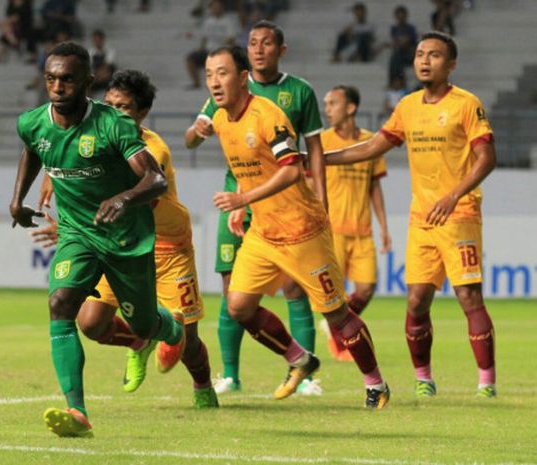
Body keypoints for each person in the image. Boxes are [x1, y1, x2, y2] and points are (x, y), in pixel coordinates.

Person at [10, 41, 186, 438]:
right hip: (77, 233)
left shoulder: (112, 124)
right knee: (60, 303)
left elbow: (154, 179)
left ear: (88, 81)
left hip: (127, 239)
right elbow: (32, 150)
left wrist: (124, 198)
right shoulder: (32, 121)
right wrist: (18, 198)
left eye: (67, 79)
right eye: (51, 78)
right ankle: (77, 412)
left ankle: (171, 328)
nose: (57, 86)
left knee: (142, 323)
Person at [204, 45, 390, 408]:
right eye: (209, 74)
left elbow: (290, 169)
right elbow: (250, 164)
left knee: (336, 313)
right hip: (263, 231)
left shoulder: (268, 116)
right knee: (238, 306)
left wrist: (243, 199)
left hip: (302, 230)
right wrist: (244, 200)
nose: (214, 81)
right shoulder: (221, 120)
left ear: (243, 78)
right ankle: (300, 359)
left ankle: (376, 383)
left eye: (222, 73)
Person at [31, 69, 219, 409]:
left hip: (166, 248)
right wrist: (50, 170)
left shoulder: (152, 150)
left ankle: (203, 385)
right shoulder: (92, 135)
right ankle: (138, 341)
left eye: (125, 107)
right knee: (90, 323)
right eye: (110, 103)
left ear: (141, 114)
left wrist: (69, 226)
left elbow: (129, 201)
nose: (115, 112)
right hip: (117, 243)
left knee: (187, 339)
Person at [325, 32, 498, 398]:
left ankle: (487, 382)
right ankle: (424, 379)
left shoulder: (467, 104)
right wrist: (322, 158)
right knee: (417, 300)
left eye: (434, 55)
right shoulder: (407, 106)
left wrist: (453, 196)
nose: (424, 60)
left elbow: (487, 158)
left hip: (460, 212)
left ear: (450, 65)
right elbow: (373, 146)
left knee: (469, 297)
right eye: (420, 54)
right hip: (421, 217)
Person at [185, 20, 323, 396]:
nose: (259, 48)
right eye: (252, 43)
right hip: (237, 200)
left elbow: (314, 152)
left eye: (266, 43)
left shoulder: (298, 93)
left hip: (283, 201)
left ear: (281, 49)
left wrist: (321, 199)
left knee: (296, 286)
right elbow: (189, 139)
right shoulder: (221, 90)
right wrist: (197, 134)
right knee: (233, 288)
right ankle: (230, 374)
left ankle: (307, 375)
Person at [317, 85, 391, 362]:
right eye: (326, 104)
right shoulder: (322, 141)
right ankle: (340, 340)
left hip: (363, 231)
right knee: (332, 294)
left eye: (333, 103)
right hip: (332, 230)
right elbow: (313, 184)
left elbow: (375, 186)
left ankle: (333, 326)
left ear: (351, 108)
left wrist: (383, 226)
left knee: (367, 288)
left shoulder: (371, 142)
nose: (328, 109)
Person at [185, 0, 238, 89]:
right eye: (214, 7)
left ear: (222, 8)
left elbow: (231, 38)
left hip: (222, 51)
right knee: (190, 58)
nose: (216, 9)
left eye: (218, 6)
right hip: (208, 51)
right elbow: (204, 38)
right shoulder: (208, 22)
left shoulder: (228, 21)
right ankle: (196, 83)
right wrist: (201, 48)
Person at [388, 5, 417, 82]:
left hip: (410, 54)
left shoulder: (411, 28)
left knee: (395, 56)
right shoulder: (394, 29)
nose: (400, 18)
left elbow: (408, 42)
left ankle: (395, 80)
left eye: (402, 16)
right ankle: (398, 80)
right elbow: (394, 42)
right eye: (399, 16)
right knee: (396, 57)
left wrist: (401, 42)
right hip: (400, 54)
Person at [88, 29, 117, 95]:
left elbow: (107, 65)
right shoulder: (90, 52)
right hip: (96, 76)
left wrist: (101, 75)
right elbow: (90, 67)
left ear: (102, 40)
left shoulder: (109, 51)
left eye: (99, 40)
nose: (97, 42)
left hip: (107, 76)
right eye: (95, 40)